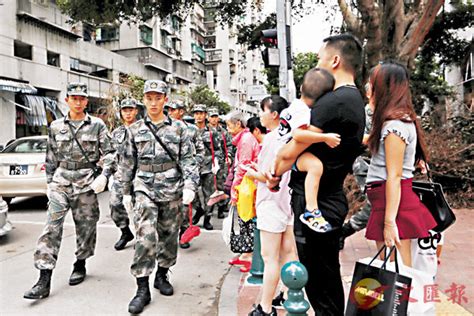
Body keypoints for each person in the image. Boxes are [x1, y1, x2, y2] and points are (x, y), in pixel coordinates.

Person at [267, 34, 366, 314]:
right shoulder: (354, 99)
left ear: (334, 60)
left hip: (317, 204)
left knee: (321, 285)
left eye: (320, 58)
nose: (318, 64)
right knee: (327, 280)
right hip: (331, 198)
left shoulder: (331, 103)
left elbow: (289, 153)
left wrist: (274, 172)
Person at [24, 82, 114, 299]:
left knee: (86, 228)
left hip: (86, 184)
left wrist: (104, 175)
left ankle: (80, 262)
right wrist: (48, 183)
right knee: (51, 228)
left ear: (85, 101)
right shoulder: (56, 127)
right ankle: (44, 279)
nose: (77, 101)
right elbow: (51, 156)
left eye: (81, 98)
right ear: (67, 100)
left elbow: (111, 153)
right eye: (73, 97)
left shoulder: (97, 125)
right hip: (61, 182)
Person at [115, 80, 199, 314]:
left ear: (165, 99)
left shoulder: (180, 129)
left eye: (158, 97)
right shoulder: (134, 130)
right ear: (144, 100)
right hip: (144, 186)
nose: (153, 102)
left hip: (171, 187)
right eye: (149, 98)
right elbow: (127, 163)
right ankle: (142, 288)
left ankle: (162, 273)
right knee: (145, 234)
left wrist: (191, 185)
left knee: (169, 234)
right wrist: (124, 193)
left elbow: (188, 159)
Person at [364, 62, 437, 266]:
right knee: (395, 272)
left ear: (384, 88)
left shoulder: (395, 125)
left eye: (371, 84)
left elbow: (394, 176)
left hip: (393, 203)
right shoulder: (396, 121)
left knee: (398, 273)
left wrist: (389, 222)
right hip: (389, 201)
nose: (368, 90)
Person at [246, 96, 298, 316]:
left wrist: (250, 173)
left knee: (269, 259)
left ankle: (265, 307)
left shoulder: (270, 139)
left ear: (274, 115)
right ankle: (289, 295)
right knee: (288, 254)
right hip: (287, 202)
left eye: (263, 111)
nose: (261, 115)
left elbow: (269, 178)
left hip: (270, 203)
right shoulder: (291, 137)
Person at [274, 68, 341, 233]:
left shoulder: (294, 106)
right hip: (291, 154)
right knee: (315, 167)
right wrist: (325, 137)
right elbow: (298, 134)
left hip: (281, 153)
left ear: (301, 88)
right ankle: (311, 211)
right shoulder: (304, 112)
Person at [168, 101, 205, 249]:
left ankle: (184, 233)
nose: (170, 112)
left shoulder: (192, 130)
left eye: (173, 110)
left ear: (181, 111)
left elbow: (200, 150)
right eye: (169, 110)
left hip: (185, 172)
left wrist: (192, 164)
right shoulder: (163, 128)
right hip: (167, 173)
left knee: (184, 204)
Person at [226, 111, 260, 272]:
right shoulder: (245, 138)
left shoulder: (245, 140)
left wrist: (234, 190)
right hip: (248, 184)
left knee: (246, 219)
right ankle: (246, 252)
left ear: (238, 124)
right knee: (245, 219)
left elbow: (243, 167)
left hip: (247, 185)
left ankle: (249, 254)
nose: (227, 129)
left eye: (229, 125)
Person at [109, 98, 138, 251]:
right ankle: (125, 232)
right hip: (120, 176)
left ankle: (143, 238)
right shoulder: (116, 133)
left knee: (141, 208)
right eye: (124, 110)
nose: (128, 113)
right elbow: (111, 154)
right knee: (115, 205)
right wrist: (107, 173)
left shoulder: (144, 129)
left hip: (139, 176)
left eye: (130, 109)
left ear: (136, 111)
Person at [191, 104, 223, 231]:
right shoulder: (188, 130)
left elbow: (218, 149)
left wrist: (217, 162)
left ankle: (207, 219)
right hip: (193, 168)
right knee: (192, 194)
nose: (198, 116)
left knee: (209, 195)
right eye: (196, 113)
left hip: (208, 167)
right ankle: (199, 210)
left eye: (201, 113)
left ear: (205, 115)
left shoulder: (212, 132)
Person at [208, 107, 234, 218]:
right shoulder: (205, 130)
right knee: (210, 187)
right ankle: (208, 211)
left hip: (221, 162)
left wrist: (228, 156)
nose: (214, 119)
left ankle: (221, 209)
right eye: (211, 117)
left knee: (221, 185)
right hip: (208, 162)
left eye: (215, 116)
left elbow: (229, 145)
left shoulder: (223, 131)